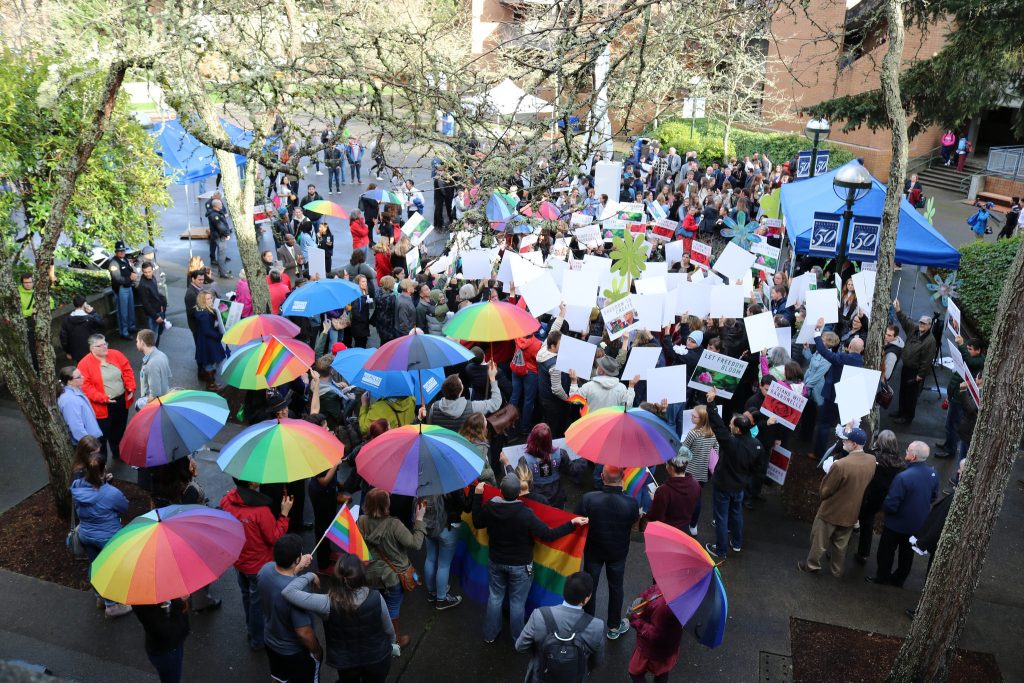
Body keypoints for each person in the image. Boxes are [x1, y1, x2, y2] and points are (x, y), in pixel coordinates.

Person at [472, 475, 588, 643]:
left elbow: (477, 522)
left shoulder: (491, 507)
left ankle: (490, 635)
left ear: (501, 491)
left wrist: (477, 495)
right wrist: (572, 523)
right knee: (517, 604)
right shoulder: (526, 513)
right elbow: (548, 535)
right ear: (519, 492)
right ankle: (518, 639)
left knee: (495, 598)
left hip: (496, 561)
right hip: (520, 566)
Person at [282, 554, 396, 682]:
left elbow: (288, 592)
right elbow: (389, 630)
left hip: (346, 663)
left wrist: (309, 575)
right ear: (361, 575)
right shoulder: (376, 597)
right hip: (377, 658)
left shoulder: (326, 603)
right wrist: (392, 645)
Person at [220, 479, 293, 651]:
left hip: (239, 560)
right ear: (252, 484)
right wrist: (284, 515)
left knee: (247, 597)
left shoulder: (226, 500)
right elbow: (274, 538)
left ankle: (251, 630)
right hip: (258, 566)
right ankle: (258, 639)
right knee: (258, 605)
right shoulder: (261, 511)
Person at [797, 427, 876, 577]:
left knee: (818, 541)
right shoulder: (871, 461)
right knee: (841, 545)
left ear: (853, 444)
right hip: (852, 512)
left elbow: (825, 490)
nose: (844, 442)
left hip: (831, 510)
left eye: (846, 440)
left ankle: (811, 565)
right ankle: (836, 571)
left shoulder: (841, 465)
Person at [574, 465, 638, 640]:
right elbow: (634, 525)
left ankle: (587, 626)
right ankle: (614, 626)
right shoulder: (631, 503)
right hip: (618, 553)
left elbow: (576, 522)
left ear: (602, 476)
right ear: (623, 477)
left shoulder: (588, 499)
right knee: (616, 588)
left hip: (593, 550)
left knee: (590, 587)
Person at [357, 488, 427, 650]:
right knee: (393, 608)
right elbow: (415, 544)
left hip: (371, 574)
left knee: (376, 604)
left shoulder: (360, 521)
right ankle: (395, 640)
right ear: (386, 505)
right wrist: (419, 519)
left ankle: (378, 634)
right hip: (393, 575)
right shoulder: (394, 524)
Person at [866, 441, 939, 588]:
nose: (906, 452)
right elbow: (933, 496)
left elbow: (891, 503)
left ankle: (882, 576)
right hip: (917, 524)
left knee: (886, 551)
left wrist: (886, 512)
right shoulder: (933, 473)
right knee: (907, 554)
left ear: (913, 456)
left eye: (908, 450)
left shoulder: (903, 477)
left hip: (896, 524)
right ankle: (899, 579)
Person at [71, 452, 132, 618]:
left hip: (86, 534)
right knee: (110, 569)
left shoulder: (76, 486)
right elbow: (124, 507)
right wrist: (108, 484)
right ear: (103, 470)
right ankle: (112, 606)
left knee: (95, 565)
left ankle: (101, 598)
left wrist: (104, 482)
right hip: (107, 538)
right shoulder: (111, 493)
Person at [514, 571, 606, 683]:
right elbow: (597, 661)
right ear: (586, 598)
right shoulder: (596, 626)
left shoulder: (539, 615)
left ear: (564, 592)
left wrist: (541, 653)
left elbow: (520, 646)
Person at [703, 388, 761, 559]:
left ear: (737, 429)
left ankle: (720, 550)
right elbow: (757, 468)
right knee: (736, 513)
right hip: (740, 485)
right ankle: (736, 543)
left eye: (731, 424)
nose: (729, 425)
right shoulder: (756, 445)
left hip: (724, 485)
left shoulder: (731, 443)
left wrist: (711, 403)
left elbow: (717, 425)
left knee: (721, 518)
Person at [258, 535, 322, 682]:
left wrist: (298, 567)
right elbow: (303, 633)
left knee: (278, 678)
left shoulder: (265, 570)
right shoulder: (297, 593)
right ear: (297, 559)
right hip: (293, 652)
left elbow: (282, 576)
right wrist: (317, 651)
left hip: (270, 642)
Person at [77, 334, 135, 460]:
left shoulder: (116, 354)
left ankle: (118, 453)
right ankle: (102, 462)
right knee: (102, 436)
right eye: (100, 345)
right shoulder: (84, 364)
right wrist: (102, 398)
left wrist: (130, 386)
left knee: (119, 429)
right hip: (102, 407)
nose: (105, 347)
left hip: (120, 401)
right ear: (92, 348)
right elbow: (86, 387)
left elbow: (127, 370)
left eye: (105, 343)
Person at [855, 430, 905, 563]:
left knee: (860, 519)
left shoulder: (874, 458)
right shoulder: (899, 463)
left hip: (868, 496)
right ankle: (863, 553)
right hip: (882, 499)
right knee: (868, 523)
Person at [935, 336, 985, 458]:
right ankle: (948, 444)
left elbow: (969, 361)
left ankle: (950, 450)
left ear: (978, 351)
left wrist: (962, 345)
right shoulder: (970, 358)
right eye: (967, 348)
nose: (967, 351)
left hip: (960, 400)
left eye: (970, 349)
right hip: (955, 397)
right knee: (949, 424)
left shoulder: (979, 361)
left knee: (953, 425)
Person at [422, 485, 471, 610]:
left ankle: (432, 592)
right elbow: (467, 507)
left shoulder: (424, 477)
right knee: (444, 564)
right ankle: (441, 598)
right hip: (448, 528)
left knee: (430, 558)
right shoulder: (452, 481)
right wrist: (474, 492)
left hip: (429, 525)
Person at [890, 300, 936, 425]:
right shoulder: (914, 330)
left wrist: (920, 375)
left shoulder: (930, 341)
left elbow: (927, 360)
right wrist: (898, 310)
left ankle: (907, 417)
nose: (921, 324)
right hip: (906, 367)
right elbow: (905, 321)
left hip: (915, 372)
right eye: (920, 322)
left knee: (911, 396)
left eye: (924, 323)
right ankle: (901, 411)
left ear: (929, 326)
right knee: (903, 391)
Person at [627, 582, 683, 683]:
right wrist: (642, 598)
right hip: (670, 647)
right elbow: (654, 589)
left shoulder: (664, 606)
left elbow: (655, 634)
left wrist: (635, 619)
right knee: (662, 671)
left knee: (635, 673)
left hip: (651, 650)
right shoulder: (682, 592)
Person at [426, 364, 501, 432]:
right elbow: (495, 403)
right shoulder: (473, 407)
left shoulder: (434, 407)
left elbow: (431, 428)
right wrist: (492, 378)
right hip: (464, 444)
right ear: (461, 390)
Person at [132, 597, 190, 683]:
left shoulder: (140, 596)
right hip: (167, 650)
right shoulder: (147, 605)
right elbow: (164, 631)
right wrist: (180, 601)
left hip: (162, 647)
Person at [680, 406, 718, 534]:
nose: (691, 417)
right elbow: (716, 449)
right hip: (703, 473)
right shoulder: (712, 433)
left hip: (690, 471)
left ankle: (683, 524)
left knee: (685, 498)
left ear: (701, 419)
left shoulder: (692, 433)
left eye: (694, 416)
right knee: (697, 498)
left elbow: (683, 451)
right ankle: (693, 525)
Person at [646, 446, 701, 535]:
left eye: (666, 463)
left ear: (671, 468)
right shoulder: (696, 485)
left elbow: (656, 516)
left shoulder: (664, 491)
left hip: (667, 531)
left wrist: (655, 499)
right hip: (684, 530)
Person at [568, 356, 639, 412]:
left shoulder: (589, 386)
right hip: (612, 425)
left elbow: (574, 400)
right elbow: (627, 406)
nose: (597, 367)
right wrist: (631, 386)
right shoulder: (622, 387)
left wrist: (574, 381)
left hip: (592, 424)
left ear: (601, 371)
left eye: (599, 366)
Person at [58, 366, 103, 446]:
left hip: (90, 438)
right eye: (79, 377)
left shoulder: (76, 389)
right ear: (69, 381)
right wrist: (89, 445)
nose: (83, 377)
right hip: (87, 443)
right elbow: (76, 426)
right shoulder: (70, 400)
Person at [194, 291, 226, 391]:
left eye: (211, 298)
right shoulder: (205, 315)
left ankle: (211, 383)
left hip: (206, 342)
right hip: (208, 342)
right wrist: (220, 335)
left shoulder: (204, 311)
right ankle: (211, 385)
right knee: (210, 362)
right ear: (203, 301)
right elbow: (207, 331)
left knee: (210, 362)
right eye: (208, 299)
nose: (211, 300)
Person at [60, 294, 104, 363]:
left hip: (77, 353)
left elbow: (64, 339)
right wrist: (93, 312)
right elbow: (101, 324)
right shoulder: (90, 319)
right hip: (91, 351)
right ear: (84, 304)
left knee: (81, 371)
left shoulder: (66, 320)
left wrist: (68, 352)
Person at [107, 241, 138, 339]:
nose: (122, 252)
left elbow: (130, 270)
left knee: (130, 310)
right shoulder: (113, 263)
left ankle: (131, 327)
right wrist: (130, 278)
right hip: (121, 289)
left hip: (128, 287)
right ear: (116, 251)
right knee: (123, 312)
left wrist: (133, 273)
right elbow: (117, 278)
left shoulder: (124, 259)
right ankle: (124, 332)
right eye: (119, 251)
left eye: (123, 250)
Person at [136, 330, 172, 407]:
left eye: (137, 341)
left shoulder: (151, 364)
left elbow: (154, 393)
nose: (136, 343)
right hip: (164, 398)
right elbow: (168, 376)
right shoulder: (162, 355)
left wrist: (141, 404)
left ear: (142, 342)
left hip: (155, 406)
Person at [135, 262, 168, 346]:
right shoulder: (142, 285)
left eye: (149, 271)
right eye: (145, 272)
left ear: (152, 270)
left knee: (158, 335)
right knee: (152, 339)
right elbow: (146, 304)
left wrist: (161, 306)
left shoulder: (152, 278)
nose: (148, 274)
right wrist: (156, 316)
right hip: (152, 315)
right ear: (142, 271)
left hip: (158, 310)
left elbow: (156, 294)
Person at [206, 199, 233, 278]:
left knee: (221, 254)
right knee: (222, 255)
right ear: (217, 206)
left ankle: (222, 270)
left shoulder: (215, 213)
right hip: (219, 236)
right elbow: (220, 227)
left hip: (217, 235)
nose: (222, 206)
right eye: (221, 204)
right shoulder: (215, 216)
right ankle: (223, 273)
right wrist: (226, 234)